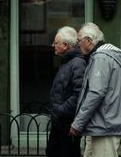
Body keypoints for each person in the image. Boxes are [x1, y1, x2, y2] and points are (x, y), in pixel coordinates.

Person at [69, 22, 121, 157]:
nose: (77, 44)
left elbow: (95, 93)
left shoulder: (101, 58)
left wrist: (77, 124)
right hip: (101, 126)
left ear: (88, 41)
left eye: (79, 40)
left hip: (104, 127)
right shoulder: (103, 57)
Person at [46, 26, 86, 157]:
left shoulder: (77, 63)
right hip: (59, 122)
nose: (53, 45)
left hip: (67, 124)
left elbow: (78, 95)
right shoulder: (67, 62)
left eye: (56, 43)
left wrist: (59, 110)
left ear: (65, 45)